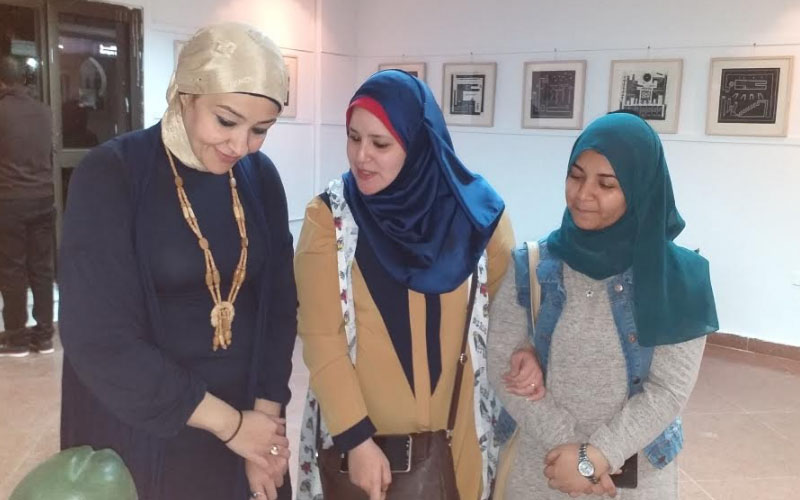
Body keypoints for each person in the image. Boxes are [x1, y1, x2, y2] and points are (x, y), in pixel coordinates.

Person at [58, 23, 297, 500]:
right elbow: (99, 339)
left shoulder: (259, 177)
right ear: (185, 95)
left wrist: (263, 433)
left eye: (260, 130)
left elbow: (278, 307)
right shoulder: (114, 173)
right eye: (226, 121)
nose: (240, 146)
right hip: (146, 426)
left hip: (246, 424)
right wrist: (231, 427)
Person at [294, 70, 537, 500]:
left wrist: (526, 351)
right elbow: (321, 339)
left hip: (460, 436)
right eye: (353, 137)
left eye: (380, 143)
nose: (361, 156)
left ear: (419, 142)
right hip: (367, 448)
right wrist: (356, 438)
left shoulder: (478, 216)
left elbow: (506, 313)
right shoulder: (330, 220)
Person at [488, 112, 719, 499]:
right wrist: (573, 451)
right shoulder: (531, 265)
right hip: (544, 469)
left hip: (635, 477)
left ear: (640, 188)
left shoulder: (680, 279)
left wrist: (597, 456)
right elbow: (501, 363)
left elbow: (669, 390)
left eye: (606, 184)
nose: (583, 195)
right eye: (576, 176)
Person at [0, 55, 55, 357]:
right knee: (42, 269)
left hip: (10, 201)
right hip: (44, 198)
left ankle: (17, 339)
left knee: (13, 270)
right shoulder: (43, 111)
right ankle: (44, 337)